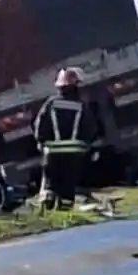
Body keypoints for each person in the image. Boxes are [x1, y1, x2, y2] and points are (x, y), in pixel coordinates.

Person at [34, 67, 98, 209]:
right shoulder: (81, 106)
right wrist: (88, 146)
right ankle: (66, 211)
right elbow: (91, 129)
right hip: (74, 155)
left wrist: (41, 141)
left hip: (52, 154)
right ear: (75, 86)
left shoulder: (50, 104)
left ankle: (48, 209)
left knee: (51, 184)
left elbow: (41, 124)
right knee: (68, 187)